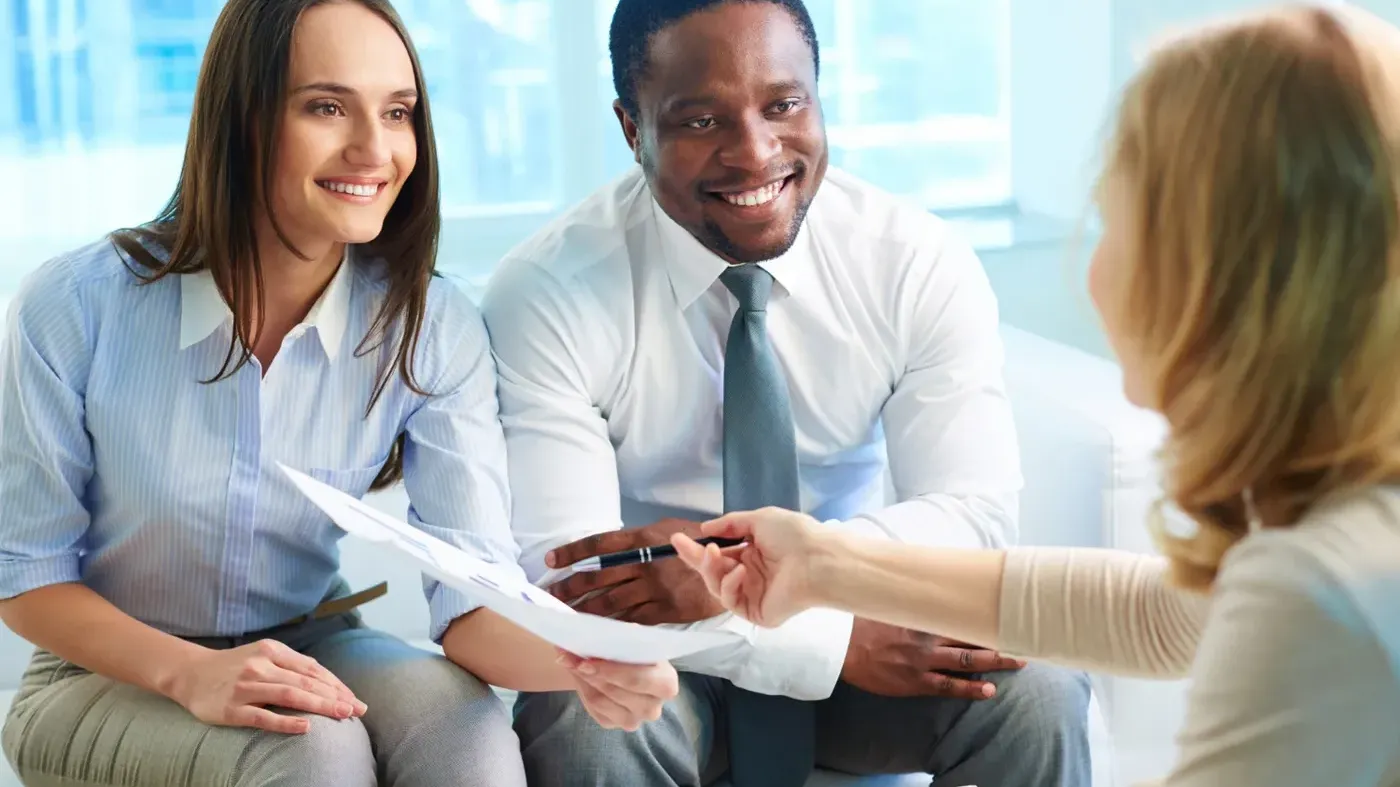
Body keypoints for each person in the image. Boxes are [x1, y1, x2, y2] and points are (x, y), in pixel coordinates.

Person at [673, 4, 1400, 786]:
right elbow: (1163, 615)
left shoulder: (1322, 600)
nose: (1093, 272)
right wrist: (823, 564)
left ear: (1218, 275)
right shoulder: (1341, 529)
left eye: (1115, 223)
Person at [0, 2, 676, 786]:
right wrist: (194, 672)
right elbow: (26, 577)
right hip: (98, 676)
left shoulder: (430, 323)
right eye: (326, 107)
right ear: (243, 119)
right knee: (310, 748)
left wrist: (592, 660)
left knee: (472, 736)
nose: (375, 149)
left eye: (397, 114)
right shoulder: (77, 304)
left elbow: (473, 603)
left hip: (313, 637)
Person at [478, 0, 1092, 785]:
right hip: (664, 663)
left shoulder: (914, 262)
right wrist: (815, 631)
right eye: (701, 121)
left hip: (857, 635)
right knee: (580, 711)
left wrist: (732, 584)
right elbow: (578, 586)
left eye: (784, 105)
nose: (756, 152)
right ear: (633, 129)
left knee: (1039, 690)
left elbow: (973, 517)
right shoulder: (547, 291)